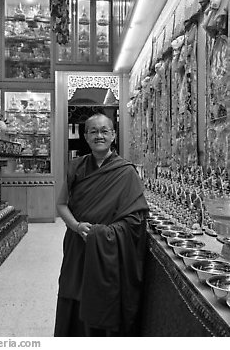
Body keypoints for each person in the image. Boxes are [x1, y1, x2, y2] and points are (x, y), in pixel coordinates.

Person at [54, 113, 149, 336]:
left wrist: (104, 233)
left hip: (108, 250)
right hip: (78, 243)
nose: (99, 136)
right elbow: (60, 205)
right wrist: (77, 227)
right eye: (93, 131)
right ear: (85, 136)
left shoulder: (126, 171)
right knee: (73, 290)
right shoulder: (75, 167)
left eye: (104, 131)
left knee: (101, 294)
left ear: (113, 135)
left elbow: (136, 219)